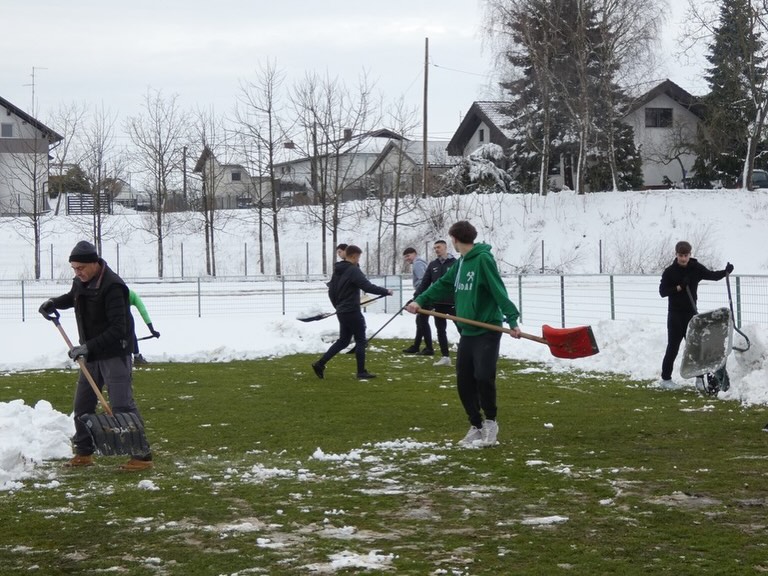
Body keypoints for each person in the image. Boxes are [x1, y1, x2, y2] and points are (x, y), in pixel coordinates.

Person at [38, 240, 153, 471]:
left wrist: (87, 347)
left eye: (80, 268)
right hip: (91, 353)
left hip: (115, 353)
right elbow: (74, 297)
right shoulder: (82, 281)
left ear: (94, 263)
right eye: (74, 268)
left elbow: (119, 328)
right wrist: (53, 303)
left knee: (122, 405)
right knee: (82, 406)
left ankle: (141, 456)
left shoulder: (113, 287)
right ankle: (84, 453)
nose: (77, 272)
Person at [406, 221, 521, 448]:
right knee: (464, 380)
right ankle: (476, 426)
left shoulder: (483, 260)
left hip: (488, 328)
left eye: (451, 240)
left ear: (455, 239)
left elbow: (498, 290)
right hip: (468, 331)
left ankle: (490, 422)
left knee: (483, 376)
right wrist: (419, 300)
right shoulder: (459, 264)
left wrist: (512, 319)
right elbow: (441, 285)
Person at [658, 240, 733, 389]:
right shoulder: (670, 272)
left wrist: (725, 272)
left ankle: (700, 379)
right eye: (680, 255)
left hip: (691, 315)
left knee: (697, 348)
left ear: (690, 254)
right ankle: (665, 379)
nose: (683, 258)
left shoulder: (695, 268)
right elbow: (662, 292)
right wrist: (679, 287)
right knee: (673, 347)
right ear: (676, 254)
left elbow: (712, 275)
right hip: (675, 315)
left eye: (685, 255)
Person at [312, 244, 393, 380]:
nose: (358, 260)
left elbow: (331, 291)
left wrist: (338, 306)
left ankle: (320, 364)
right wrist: (386, 291)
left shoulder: (338, 270)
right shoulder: (353, 270)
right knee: (361, 340)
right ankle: (361, 372)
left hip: (342, 311)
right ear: (354, 256)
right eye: (358, 257)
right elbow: (367, 286)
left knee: (343, 341)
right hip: (352, 311)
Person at [415, 240, 458, 367]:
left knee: (462, 328)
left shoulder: (455, 263)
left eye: (438, 247)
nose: (437, 250)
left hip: (454, 303)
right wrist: (416, 298)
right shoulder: (433, 265)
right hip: (438, 303)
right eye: (435, 248)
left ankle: (470, 354)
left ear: (445, 247)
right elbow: (425, 284)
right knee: (440, 330)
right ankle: (445, 357)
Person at [401, 247, 433, 355]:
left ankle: (429, 348)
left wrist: (417, 297)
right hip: (424, 295)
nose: (407, 259)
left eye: (408, 256)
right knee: (420, 321)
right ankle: (416, 346)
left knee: (422, 322)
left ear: (414, 254)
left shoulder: (418, 264)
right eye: (405, 257)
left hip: (424, 296)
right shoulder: (421, 263)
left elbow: (423, 281)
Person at [129, 289, 160, 365]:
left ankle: (135, 356)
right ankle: (135, 356)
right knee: (129, 325)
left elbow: (143, 312)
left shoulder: (132, 296)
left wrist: (151, 330)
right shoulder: (132, 295)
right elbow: (143, 311)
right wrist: (152, 330)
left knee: (129, 326)